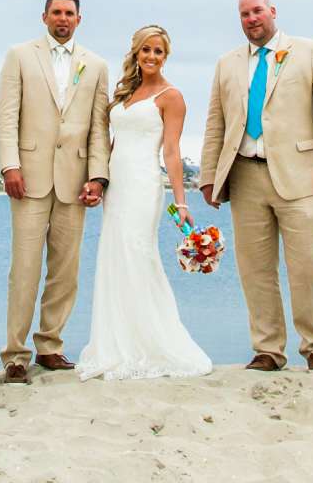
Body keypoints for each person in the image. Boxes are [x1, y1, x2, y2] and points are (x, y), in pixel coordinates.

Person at [198, 0, 313, 373]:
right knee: (255, 269)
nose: (252, 19)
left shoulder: (310, 51)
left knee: (307, 267)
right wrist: (209, 175)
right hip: (244, 174)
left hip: (302, 176)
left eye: (257, 11)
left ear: (272, 11)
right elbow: (215, 122)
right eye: (244, 14)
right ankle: (267, 349)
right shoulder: (226, 64)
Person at [77, 24, 212, 380]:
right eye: (146, 50)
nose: (151, 56)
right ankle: (117, 343)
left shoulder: (171, 96)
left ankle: (153, 342)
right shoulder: (125, 94)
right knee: (114, 256)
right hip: (117, 186)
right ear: (136, 53)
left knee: (139, 255)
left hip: (143, 184)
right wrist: (98, 181)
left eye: (159, 51)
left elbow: (171, 151)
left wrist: (181, 202)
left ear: (166, 56)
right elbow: (112, 144)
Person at [0, 0, 112, 383]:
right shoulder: (20, 56)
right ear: (44, 17)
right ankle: (15, 354)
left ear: (79, 19)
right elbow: (7, 115)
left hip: (74, 181)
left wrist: (97, 176)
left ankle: (51, 345)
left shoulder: (95, 65)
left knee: (66, 270)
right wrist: (10, 165)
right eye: (56, 12)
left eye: (69, 13)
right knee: (24, 269)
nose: (63, 18)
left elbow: (100, 126)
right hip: (27, 179)